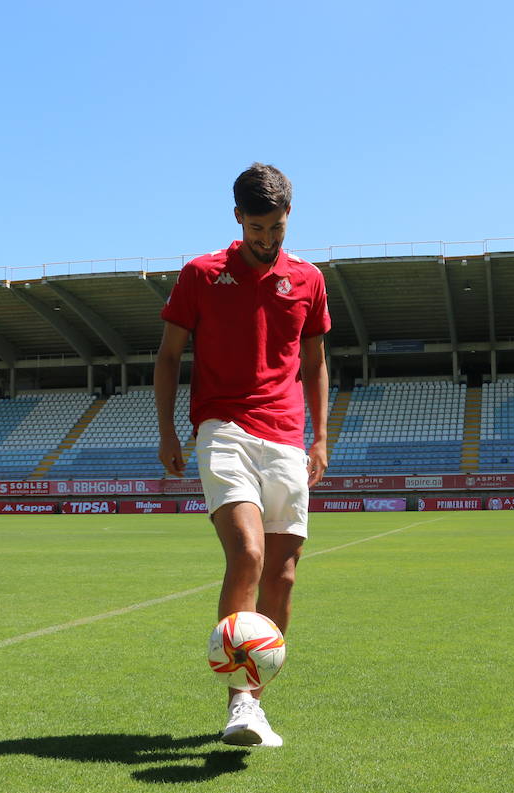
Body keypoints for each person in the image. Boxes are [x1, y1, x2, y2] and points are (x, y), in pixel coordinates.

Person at [154, 162, 331, 748]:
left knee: (281, 575)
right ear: (237, 219)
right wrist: (168, 432)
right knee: (249, 554)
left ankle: (256, 703)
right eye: (257, 228)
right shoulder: (200, 275)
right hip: (223, 426)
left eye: (277, 228)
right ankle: (237, 703)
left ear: (288, 219)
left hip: (286, 435)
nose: (268, 240)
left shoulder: (308, 279)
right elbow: (168, 356)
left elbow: (315, 361)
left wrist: (320, 436)